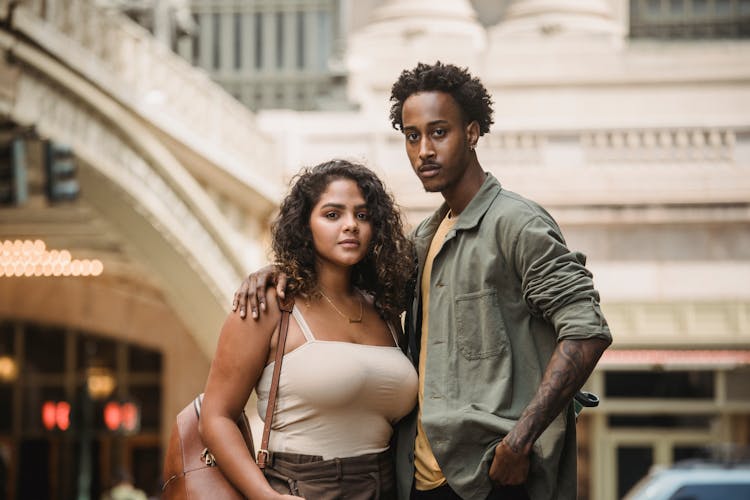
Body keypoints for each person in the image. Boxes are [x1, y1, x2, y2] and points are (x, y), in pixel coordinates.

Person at [236, 62, 612, 500]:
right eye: (412, 136)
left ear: (471, 133)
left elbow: (587, 331)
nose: (424, 151)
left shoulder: (516, 224)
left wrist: (519, 440)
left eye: (439, 132)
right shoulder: (425, 238)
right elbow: (345, 285)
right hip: (421, 479)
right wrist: (281, 271)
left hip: (492, 475)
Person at [200, 160, 418, 499]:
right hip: (302, 487)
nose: (350, 226)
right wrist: (265, 497)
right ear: (305, 226)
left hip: (387, 485)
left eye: (362, 215)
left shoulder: (385, 311)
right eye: (332, 215)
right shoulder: (270, 306)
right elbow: (216, 417)